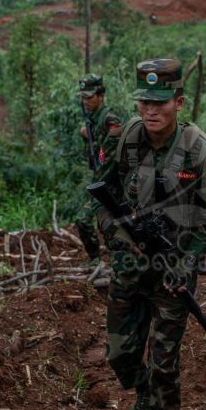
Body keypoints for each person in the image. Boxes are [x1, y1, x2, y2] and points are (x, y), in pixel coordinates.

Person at [98, 59, 206, 410]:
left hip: (173, 270)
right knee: (119, 355)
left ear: (179, 103)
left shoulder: (200, 150)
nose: (151, 110)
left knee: (163, 363)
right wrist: (120, 238)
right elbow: (101, 197)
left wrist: (187, 263)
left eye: (161, 102)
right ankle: (144, 396)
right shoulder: (126, 138)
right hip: (130, 266)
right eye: (145, 102)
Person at [75, 74, 122, 267]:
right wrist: (87, 135)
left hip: (110, 182)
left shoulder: (110, 119)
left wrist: (97, 187)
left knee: (87, 220)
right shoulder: (94, 119)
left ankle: (100, 261)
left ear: (101, 96)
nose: (85, 101)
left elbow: (111, 159)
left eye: (89, 97)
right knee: (106, 226)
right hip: (101, 179)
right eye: (83, 97)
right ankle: (102, 261)